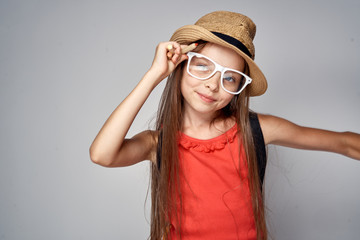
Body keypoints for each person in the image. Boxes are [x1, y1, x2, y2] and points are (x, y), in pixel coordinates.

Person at [89, 11, 360, 240]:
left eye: (229, 78)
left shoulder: (257, 130)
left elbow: (346, 143)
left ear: (239, 89)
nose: (213, 84)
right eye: (203, 66)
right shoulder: (157, 143)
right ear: (181, 66)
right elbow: (102, 154)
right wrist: (154, 75)